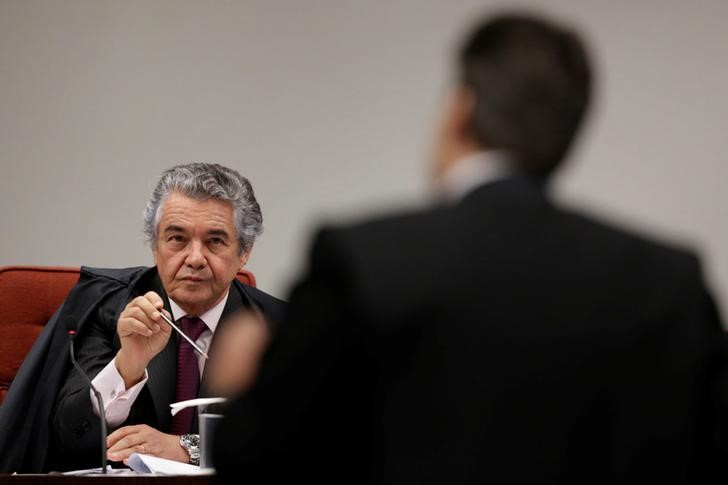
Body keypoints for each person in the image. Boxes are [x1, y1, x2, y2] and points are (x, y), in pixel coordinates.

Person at [212, 13, 728, 484]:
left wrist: (239, 386)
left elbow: (270, 461)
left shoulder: (362, 261)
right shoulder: (670, 284)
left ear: (460, 109)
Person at [0, 162, 285, 473]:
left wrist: (186, 448)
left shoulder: (278, 326)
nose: (194, 259)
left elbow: (301, 437)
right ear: (155, 246)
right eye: (177, 239)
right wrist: (128, 365)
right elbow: (70, 439)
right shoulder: (108, 308)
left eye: (215, 241)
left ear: (244, 252)